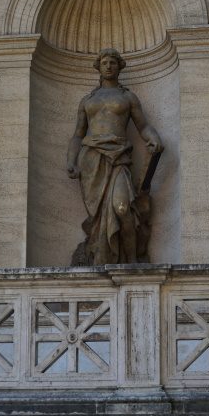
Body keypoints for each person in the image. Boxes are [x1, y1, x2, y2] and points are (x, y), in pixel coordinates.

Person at [67, 48, 163, 265]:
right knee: (99, 216)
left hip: (118, 157)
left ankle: (131, 262)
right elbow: (78, 134)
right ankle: (101, 255)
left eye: (112, 62)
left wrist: (154, 138)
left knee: (122, 208)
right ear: (98, 67)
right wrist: (71, 160)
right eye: (104, 62)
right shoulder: (87, 100)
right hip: (91, 158)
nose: (108, 66)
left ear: (119, 66)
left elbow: (144, 126)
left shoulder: (128, 97)